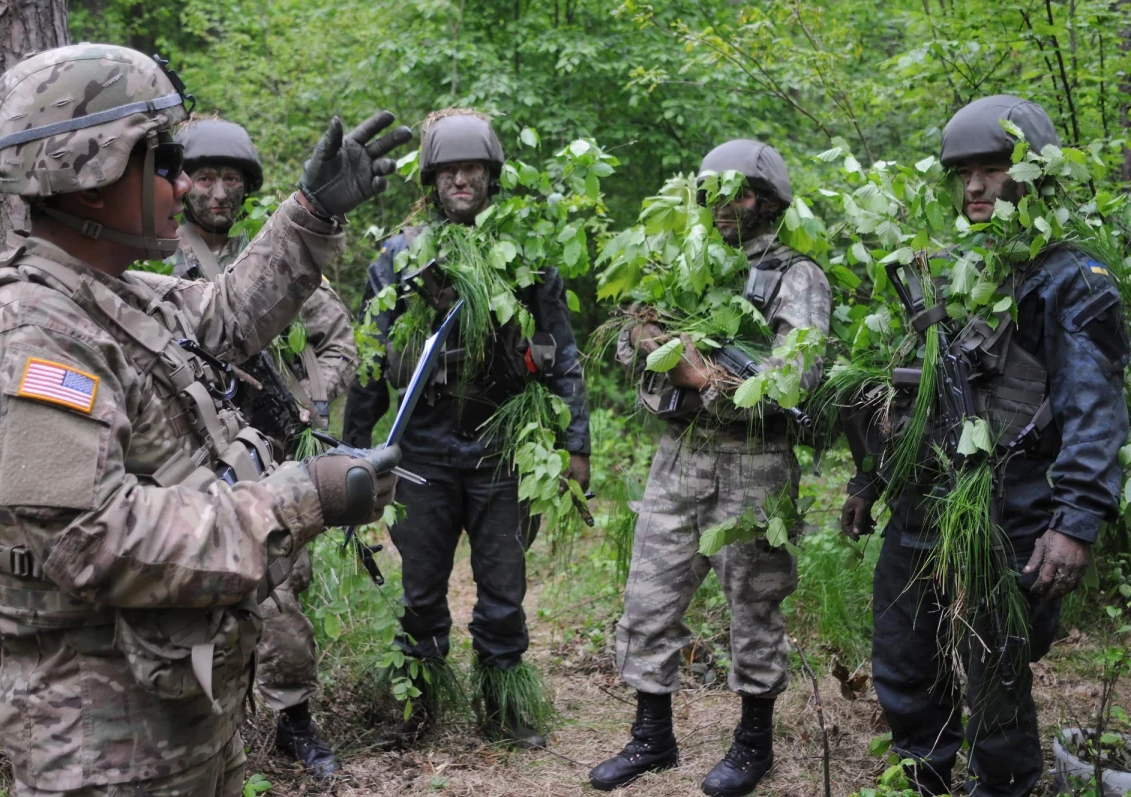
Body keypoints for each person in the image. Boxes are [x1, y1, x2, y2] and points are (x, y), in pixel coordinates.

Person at [0, 43, 410, 796]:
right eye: (161, 162)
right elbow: (92, 539)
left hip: (171, 708)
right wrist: (298, 499)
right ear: (87, 181)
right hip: (101, 743)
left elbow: (221, 317)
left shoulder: (108, 290)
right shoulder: (30, 334)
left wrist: (309, 215)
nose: (184, 184)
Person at [839, 95, 1129, 797]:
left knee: (995, 670)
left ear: (1033, 175)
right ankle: (925, 779)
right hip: (922, 505)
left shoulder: (1071, 282)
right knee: (906, 661)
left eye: (994, 169)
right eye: (964, 173)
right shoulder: (946, 274)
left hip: (1013, 508)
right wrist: (870, 482)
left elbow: (1096, 410)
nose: (974, 187)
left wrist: (1075, 522)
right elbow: (912, 397)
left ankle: (1005, 786)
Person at [589, 140, 830, 796]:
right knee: (648, 598)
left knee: (754, 605)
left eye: (743, 193)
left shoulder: (795, 276)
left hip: (755, 464)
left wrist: (707, 379)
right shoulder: (688, 267)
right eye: (717, 193)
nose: (727, 205)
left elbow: (793, 377)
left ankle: (753, 743)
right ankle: (651, 735)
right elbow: (627, 337)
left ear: (771, 202)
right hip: (679, 457)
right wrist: (641, 338)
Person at [343, 111, 589, 747]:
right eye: (448, 169)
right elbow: (370, 363)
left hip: (504, 453)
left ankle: (503, 705)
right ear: (430, 178)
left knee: (503, 593)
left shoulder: (526, 257)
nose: (461, 179)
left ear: (490, 176)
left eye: (472, 168)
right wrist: (355, 452)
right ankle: (416, 703)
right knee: (421, 593)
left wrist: (575, 447)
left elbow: (562, 353)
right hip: (421, 451)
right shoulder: (398, 258)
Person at [169, 117, 359, 779]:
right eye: (207, 177)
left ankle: (292, 719)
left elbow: (338, 345)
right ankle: (205, 730)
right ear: (181, 183)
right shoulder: (156, 267)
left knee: (279, 590)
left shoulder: (279, 258)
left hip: (270, 448)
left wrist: (310, 397)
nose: (219, 192)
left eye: (232, 179)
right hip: (185, 455)